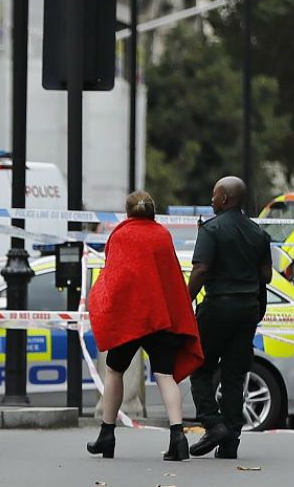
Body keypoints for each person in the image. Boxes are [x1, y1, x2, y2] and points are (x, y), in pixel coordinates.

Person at [87, 191, 204, 460]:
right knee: (165, 375)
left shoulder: (120, 235)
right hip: (160, 317)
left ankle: (107, 434)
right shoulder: (162, 235)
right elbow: (172, 277)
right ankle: (178, 437)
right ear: (152, 211)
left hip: (130, 318)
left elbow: (114, 278)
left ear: (128, 212)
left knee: (115, 371)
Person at [188, 176, 272, 459]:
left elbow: (200, 270)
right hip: (248, 309)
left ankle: (213, 424)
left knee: (198, 365)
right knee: (235, 374)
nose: (211, 201)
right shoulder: (258, 233)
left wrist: (184, 299)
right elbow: (266, 276)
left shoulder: (211, 230)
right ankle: (230, 441)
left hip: (218, 307)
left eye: (214, 196)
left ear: (225, 199)